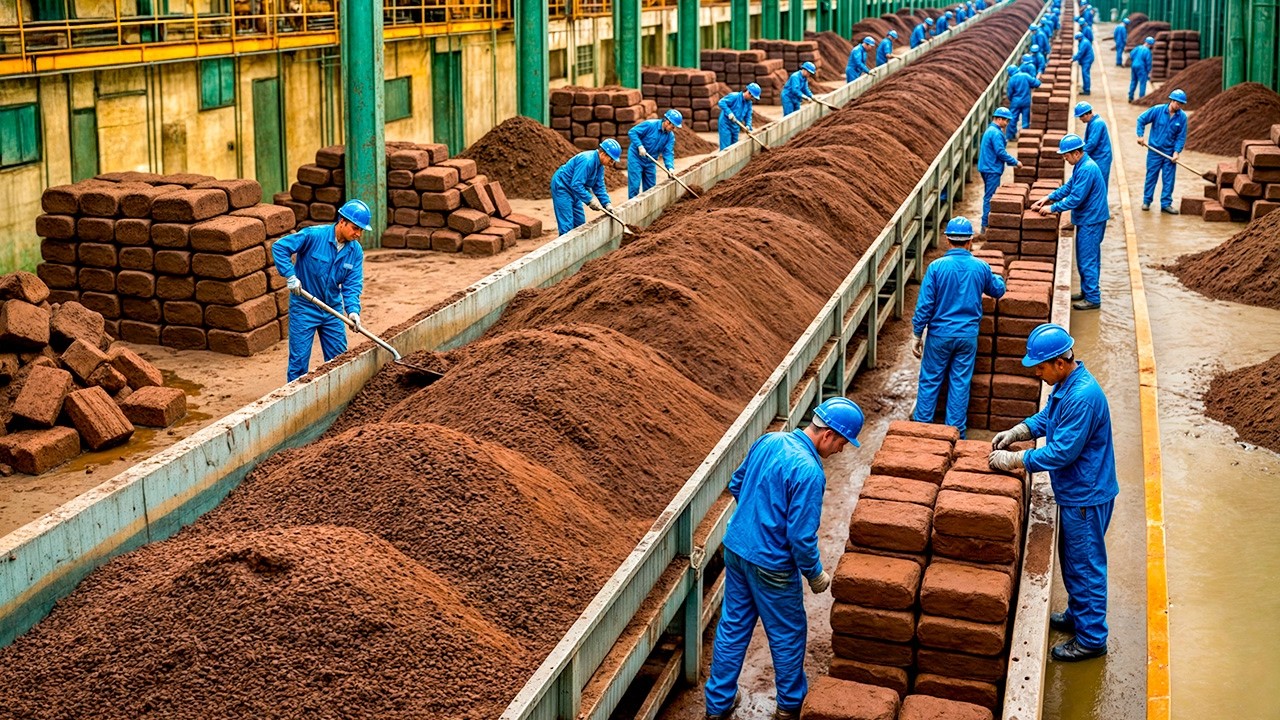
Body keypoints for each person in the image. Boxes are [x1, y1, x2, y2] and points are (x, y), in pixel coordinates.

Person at [704, 397, 866, 720]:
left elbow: (737, 484)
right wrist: (815, 573)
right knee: (788, 633)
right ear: (828, 435)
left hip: (736, 552)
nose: (841, 451)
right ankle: (790, 706)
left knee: (733, 628)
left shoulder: (770, 440)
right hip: (772, 567)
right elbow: (800, 538)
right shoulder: (809, 472)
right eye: (843, 443)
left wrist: (758, 517)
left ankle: (717, 706)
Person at [989, 323, 1117, 663]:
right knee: (1074, 562)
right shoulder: (1067, 385)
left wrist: (1017, 459)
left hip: (1086, 495)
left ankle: (1091, 639)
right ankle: (1078, 616)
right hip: (1078, 491)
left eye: (1041, 367)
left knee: (1086, 566)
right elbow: (1049, 418)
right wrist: (1020, 430)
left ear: (1061, 362)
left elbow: (1061, 452)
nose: (1038, 373)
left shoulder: (1082, 397)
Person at [911, 217, 1007, 437]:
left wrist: (917, 333)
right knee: (960, 383)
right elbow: (997, 290)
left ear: (947, 240)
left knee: (930, 380)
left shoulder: (936, 268)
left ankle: (921, 429)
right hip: (967, 337)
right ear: (970, 241)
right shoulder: (980, 267)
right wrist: (998, 277)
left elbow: (925, 305)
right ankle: (955, 433)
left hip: (939, 336)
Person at [273, 199, 368, 383]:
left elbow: (352, 284)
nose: (358, 234)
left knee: (339, 361)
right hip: (304, 307)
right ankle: (296, 405)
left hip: (331, 309)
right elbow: (280, 247)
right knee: (299, 362)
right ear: (342, 222)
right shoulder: (313, 236)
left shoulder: (355, 251)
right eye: (356, 228)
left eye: (361, 230)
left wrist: (353, 311)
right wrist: (290, 275)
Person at [1030, 134, 1109, 310]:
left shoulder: (1087, 169)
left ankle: (1093, 299)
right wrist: (1048, 197)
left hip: (1092, 220)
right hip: (1090, 218)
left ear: (1076, 152)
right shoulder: (1081, 165)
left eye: (1066, 154)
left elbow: (1075, 198)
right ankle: (1087, 291)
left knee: (1087, 259)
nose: (1064, 158)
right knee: (1087, 258)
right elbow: (1068, 187)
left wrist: (1053, 208)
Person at [550, 138, 619, 235]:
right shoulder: (587, 160)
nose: (612, 163)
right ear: (603, 154)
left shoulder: (600, 166)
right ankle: (567, 249)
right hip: (563, 186)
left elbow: (599, 186)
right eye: (611, 159)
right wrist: (589, 200)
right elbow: (576, 184)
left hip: (575, 190)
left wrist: (607, 204)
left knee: (580, 223)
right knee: (567, 226)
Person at [1136, 88, 1188, 214]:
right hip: (1155, 151)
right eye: (1177, 103)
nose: (1179, 106)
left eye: (1181, 104)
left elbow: (1181, 137)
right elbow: (1141, 120)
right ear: (1172, 100)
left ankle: (1166, 204)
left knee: (1169, 179)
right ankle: (1147, 201)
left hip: (1169, 154)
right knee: (1151, 176)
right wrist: (1140, 135)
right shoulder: (1157, 110)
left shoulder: (1182, 118)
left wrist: (1176, 152)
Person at [979, 108, 1023, 231]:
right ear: (999, 119)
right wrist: (1015, 162)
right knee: (990, 197)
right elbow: (1000, 152)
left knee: (989, 195)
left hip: (987, 167)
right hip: (991, 169)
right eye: (1006, 121)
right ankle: (986, 225)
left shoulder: (990, 130)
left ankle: (986, 223)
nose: (1007, 123)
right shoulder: (996, 133)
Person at [626, 109, 682, 198]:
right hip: (636, 158)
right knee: (635, 185)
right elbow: (632, 132)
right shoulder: (650, 125)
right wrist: (640, 146)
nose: (673, 129)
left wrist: (670, 167)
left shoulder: (670, 136)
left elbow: (668, 152)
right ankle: (631, 208)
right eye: (673, 127)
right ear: (667, 122)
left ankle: (647, 211)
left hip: (650, 161)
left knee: (650, 188)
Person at [1076, 101, 1112, 189]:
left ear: (1087, 114)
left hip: (1102, 158)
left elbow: (1092, 144)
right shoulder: (1092, 122)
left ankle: (1102, 203)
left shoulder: (1097, 123)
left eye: (1081, 116)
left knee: (1100, 184)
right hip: (1097, 156)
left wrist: (1080, 154)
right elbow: (1087, 142)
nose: (1080, 119)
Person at [717, 82, 761, 150]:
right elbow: (721, 102)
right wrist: (729, 113)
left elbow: (748, 116)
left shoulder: (749, 103)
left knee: (734, 146)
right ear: (749, 92)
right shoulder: (734, 96)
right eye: (752, 97)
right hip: (726, 123)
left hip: (736, 125)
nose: (752, 99)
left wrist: (748, 125)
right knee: (726, 147)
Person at [1007, 62, 1041, 140]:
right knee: (1025, 119)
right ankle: (1024, 136)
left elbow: (1009, 93)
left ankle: (1010, 136)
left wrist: (1012, 100)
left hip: (1015, 101)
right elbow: (1036, 83)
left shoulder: (1011, 79)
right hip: (1026, 100)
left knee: (1012, 118)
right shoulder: (1025, 76)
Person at [1128, 37, 1154, 102]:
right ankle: (1141, 98)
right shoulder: (1147, 51)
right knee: (1142, 83)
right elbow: (1148, 62)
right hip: (1141, 68)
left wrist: (1134, 61)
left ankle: (1130, 97)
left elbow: (1131, 55)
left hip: (1134, 66)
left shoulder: (1138, 47)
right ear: (1150, 44)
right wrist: (1149, 71)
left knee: (1133, 81)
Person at [1073, 31, 1094, 95]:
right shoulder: (1083, 41)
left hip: (1087, 60)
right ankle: (1085, 87)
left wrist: (1073, 59)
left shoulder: (1084, 43)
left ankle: (1087, 90)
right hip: (1086, 59)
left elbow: (1080, 53)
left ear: (1079, 38)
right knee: (1085, 74)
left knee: (1085, 74)